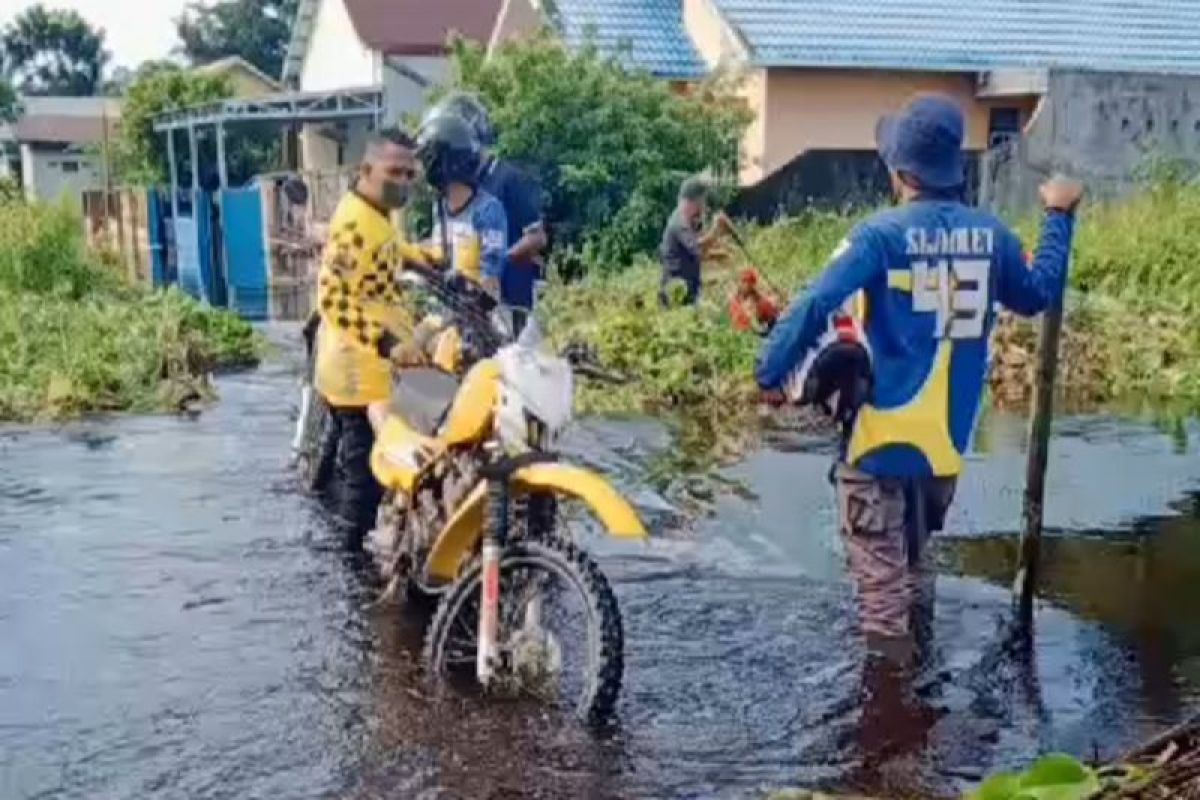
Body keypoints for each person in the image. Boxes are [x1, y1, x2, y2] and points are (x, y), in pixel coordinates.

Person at [756, 93, 1084, 663]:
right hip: (940, 455)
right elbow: (1038, 293)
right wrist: (1057, 217)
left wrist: (769, 370)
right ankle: (924, 704)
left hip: (878, 448)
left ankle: (893, 736)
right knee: (911, 571)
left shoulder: (879, 236)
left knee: (883, 609)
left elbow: (814, 303)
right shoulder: (993, 238)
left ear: (902, 171)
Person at [313, 128, 431, 549]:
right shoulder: (352, 224)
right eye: (394, 171)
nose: (403, 181)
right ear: (366, 170)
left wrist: (429, 257)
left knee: (368, 471)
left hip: (375, 368)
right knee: (364, 483)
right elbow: (333, 297)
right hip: (356, 371)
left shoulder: (378, 212)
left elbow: (391, 249)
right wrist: (386, 343)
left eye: (409, 173)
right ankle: (350, 575)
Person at [425, 92, 547, 333]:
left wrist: (495, 259)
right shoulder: (451, 185)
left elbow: (537, 237)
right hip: (463, 304)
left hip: (509, 303)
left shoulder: (508, 178)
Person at [417, 113, 508, 303]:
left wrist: (467, 286)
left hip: (476, 318)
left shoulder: (487, 211)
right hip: (441, 310)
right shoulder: (439, 208)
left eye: (427, 159)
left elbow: (490, 280)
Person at [658, 177, 732, 307]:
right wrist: (716, 230)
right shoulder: (680, 223)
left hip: (687, 290)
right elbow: (697, 248)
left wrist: (719, 254)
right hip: (676, 293)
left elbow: (693, 254)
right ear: (694, 200)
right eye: (702, 201)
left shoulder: (689, 221)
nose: (703, 206)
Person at [728, 267, 780, 334]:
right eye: (743, 281)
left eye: (749, 282)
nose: (746, 285)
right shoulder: (734, 301)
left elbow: (773, 319)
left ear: (753, 285)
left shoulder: (762, 302)